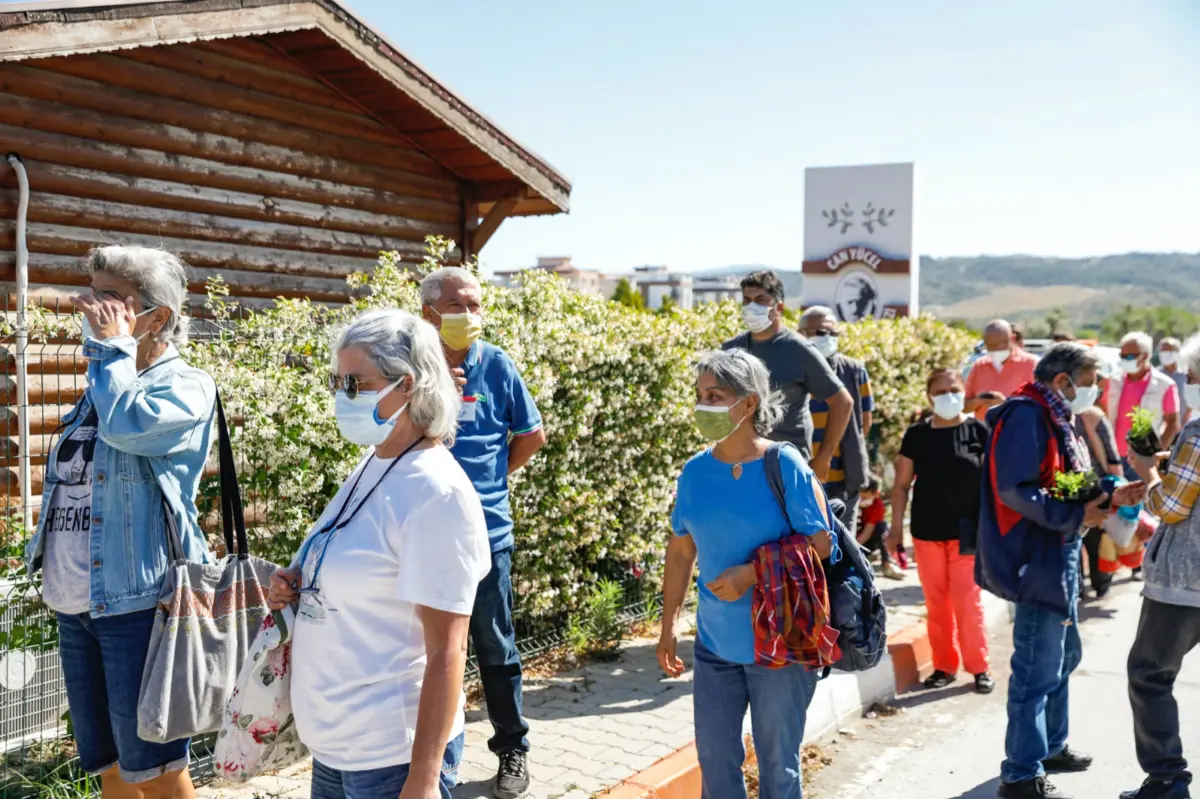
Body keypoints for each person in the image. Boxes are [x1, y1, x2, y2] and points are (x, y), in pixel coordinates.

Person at [268, 309, 490, 799]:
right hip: (337, 746)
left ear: (406, 385)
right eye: (336, 380)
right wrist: (298, 579)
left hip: (393, 757)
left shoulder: (437, 493)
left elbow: (447, 652)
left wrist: (424, 779)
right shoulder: (375, 462)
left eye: (355, 382)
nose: (339, 394)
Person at [23, 246, 215, 798]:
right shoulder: (101, 386)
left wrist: (111, 350)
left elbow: (129, 427)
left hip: (137, 606)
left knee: (155, 769)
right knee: (107, 765)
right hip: (75, 604)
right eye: (94, 293)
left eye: (112, 299)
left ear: (158, 318)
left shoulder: (184, 387)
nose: (94, 309)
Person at [659, 349, 834, 799]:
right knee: (716, 763)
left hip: (781, 642)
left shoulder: (784, 464)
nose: (703, 404)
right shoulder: (695, 472)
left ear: (749, 404)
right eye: (699, 394)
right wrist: (667, 627)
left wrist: (751, 574)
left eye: (714, 395)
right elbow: (681, 551)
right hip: (715, 644)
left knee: (779, 767)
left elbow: (820, 544)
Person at [976, 342, 1147, 799]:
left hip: (1061, 552)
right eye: (1090, 381)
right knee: (1037, 666)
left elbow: (1074, 477)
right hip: (1037, 557)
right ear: (1062, 380)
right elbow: (1015, 490)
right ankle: (1020, 773)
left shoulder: (1058, 416)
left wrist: (1112, 492)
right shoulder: (1027, 416)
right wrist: (1076, 517)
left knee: (1064, 656)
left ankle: (1050, 745)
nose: (1094, 390)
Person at [420, 267, 546, 799]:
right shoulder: (407, 363)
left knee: (496, 648)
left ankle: (512, 751)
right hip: (421, 536)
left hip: (487, 535)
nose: (469, 315)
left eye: (475, 305)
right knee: (422, 654)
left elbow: (531, 436)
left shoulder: (495, 363)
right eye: (458, 305)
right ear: (429, 311)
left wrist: (485, 489)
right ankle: (423, 758)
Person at [1121, 332, 1200, 799]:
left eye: (1191, 376)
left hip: (1184, 582)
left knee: (1149, 674)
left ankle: (1167, 779)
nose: (1186, 380)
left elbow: (1171, 506)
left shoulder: (1197, 432)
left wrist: (1150, 472)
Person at [890, 368, 993, 693]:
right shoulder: (917, 435)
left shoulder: (978, 431)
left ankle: (978, 667)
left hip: (968, 532)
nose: (949, 395)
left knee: (966, 600)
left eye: (954, 389)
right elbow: (902, 484)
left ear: (964, 392)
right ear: (929, 397)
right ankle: (944, 666)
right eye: (941, 391)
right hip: (927, 530)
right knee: (937, 603)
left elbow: (994, 484)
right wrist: (895, 529)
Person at [723, 271, 853, 484]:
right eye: (746, 300)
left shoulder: (799, 350)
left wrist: (823, 458)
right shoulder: (731, 350)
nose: (751, 306)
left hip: (786, 467)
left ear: (779, 307)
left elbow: (842, 402)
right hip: (741, 467)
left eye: (760, 300)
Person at [799, 305, 874, 532]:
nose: (828, 338)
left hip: (842, 480)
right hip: (799, 480)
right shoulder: (790, 372)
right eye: (821, 333)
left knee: (841, 548)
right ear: (802, 333)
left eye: (834, 334)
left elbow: (865, 422)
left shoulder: (854, 371)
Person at [1108, 331, 1181, 472]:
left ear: (1146, 355)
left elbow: (1172, 422)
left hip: (1142, 459)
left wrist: (1155, 454)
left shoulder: (1165, 385)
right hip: (1114, 457)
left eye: (1130, 356)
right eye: (1122, 356)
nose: (1126, 360)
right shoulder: (1114, 382)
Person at [1075, 405, 1125, 599]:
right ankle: (1101, 583)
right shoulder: (1094, 416)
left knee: (1073, 538)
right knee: (1097, 538)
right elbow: (1111, 454)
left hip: (1068, 487)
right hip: (1097, 487)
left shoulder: (1055, 415)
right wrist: (1119, 486)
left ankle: (1077, 588)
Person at [965, 319, 1038, 421]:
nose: (996, 349)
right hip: (985, 433)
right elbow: (963, 407)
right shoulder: (979, 366)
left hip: (1019, 431)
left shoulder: (1032, 364)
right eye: (991, 346)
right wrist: (979, 401)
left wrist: (1004, 403)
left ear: (1012, 339)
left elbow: (1042, 406)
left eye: (1002, 345)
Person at [857, 474, 904, 580]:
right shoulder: (852, 502)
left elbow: (867, 533)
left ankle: (887, 564)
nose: (862, 500)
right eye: (860, 496)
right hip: (854, 538)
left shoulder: (877, 505)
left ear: (876, 495)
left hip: (862, 542)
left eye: (865, 497)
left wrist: (852, 548)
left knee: (882, 526)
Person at [1158, 337, 1190, 425]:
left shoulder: (1187, 375)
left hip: (1183, 426)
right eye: (1163, 351)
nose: (1165, 354)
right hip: (1161, 428)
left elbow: (1190, 403)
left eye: (1169, 351)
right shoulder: (1156, 375)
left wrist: (1183, 423)